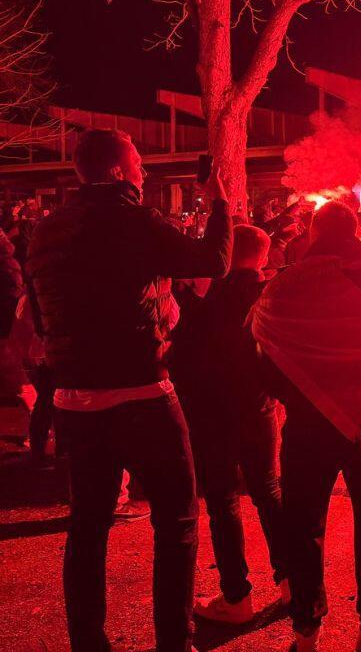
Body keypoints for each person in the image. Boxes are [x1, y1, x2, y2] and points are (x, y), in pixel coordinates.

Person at [26, 128, 231, 652]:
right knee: (178, 521)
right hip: (141, 391)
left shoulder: (47, 230)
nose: (143, 169)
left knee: (88, 527)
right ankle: (173, 642)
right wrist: (220, 202)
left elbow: (53, 305)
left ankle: (88, 643)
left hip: (75, 399)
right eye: (137, 160)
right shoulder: (135, 220)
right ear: (117, 170)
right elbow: (213, 261)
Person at [251, 201, 361, 652]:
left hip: (307, 421)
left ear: (314, 235)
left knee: (303, 523)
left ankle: (306, 629)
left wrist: (292, 392)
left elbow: (262, 345)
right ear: (355, 233)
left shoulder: (285, 286)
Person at [171, 224, 289, 624]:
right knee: (268, 492)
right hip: (258, 410)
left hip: (212, 415)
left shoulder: (211, 301)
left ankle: (237, 597)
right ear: (263, 256)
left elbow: (181, 357)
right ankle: (291, 581)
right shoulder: (270, 296)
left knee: (223, 501)